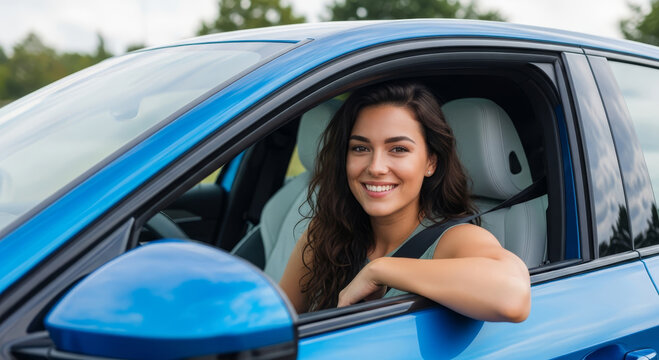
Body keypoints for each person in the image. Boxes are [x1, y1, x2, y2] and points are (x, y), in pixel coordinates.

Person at [279, 81, 531, 322]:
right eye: (360, 148)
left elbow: (513, 296)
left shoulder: (455, 240)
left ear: (431, 162)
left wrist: (380, 270)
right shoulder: (327, 231)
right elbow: (274, 324)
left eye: (398, 149)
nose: (376, 167)